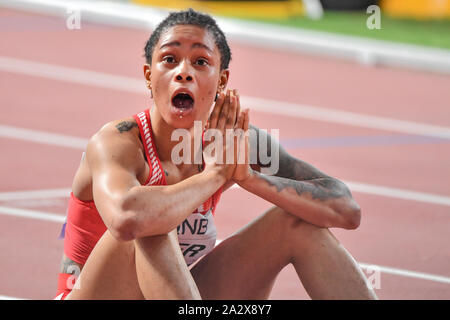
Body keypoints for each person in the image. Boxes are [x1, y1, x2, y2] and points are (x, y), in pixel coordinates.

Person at [55, 8, 377, 300]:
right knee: (153, 220)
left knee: (295, 222)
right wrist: (215, 175)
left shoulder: (233, 143)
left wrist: (248, 177)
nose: (183, 72)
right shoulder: (117, 142)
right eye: (169, 60)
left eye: (200, 61)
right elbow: (127, 219)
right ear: (149, 76)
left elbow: (346, 211)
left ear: (221, 81)